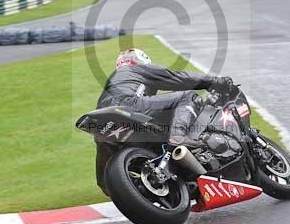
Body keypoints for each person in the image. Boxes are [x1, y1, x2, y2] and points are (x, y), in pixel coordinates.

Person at [93, 48, 232, 195]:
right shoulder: (137, 68)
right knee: (188, 96)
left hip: (106, 125)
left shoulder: (113, 84)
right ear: (141, 60)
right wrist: (216, 81)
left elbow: (104, 177)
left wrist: (108, 184)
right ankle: (179, 136)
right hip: (128, 106)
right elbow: (178, 78)